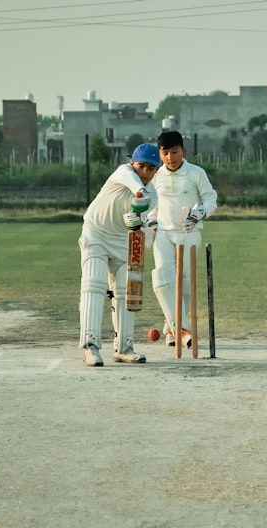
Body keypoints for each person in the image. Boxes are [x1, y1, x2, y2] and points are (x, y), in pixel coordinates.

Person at [78, 143, 161, 366]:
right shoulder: (123, 173)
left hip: (122, 241)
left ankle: (124, 348)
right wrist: (139, 193)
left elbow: (139, 225)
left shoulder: (152, 195)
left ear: (156, 170)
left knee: (125, 291)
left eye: (151, 168)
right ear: (132, 163)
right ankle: (90, 346)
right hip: (96, 233)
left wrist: (140, 224)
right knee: (94, 285)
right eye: (141, 166)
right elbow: (135, 185)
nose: (145, 172)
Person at [145, 130, 218, 347]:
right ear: (159, 153)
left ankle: (171, 331)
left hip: (189, 232)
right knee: (163, 280)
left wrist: (200, 213)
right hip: (164, 235)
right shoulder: (156, 176)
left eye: (174, 152)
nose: (170, 158)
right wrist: (150, 222)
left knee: (185, 284)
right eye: (165, 153)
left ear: (183, 151)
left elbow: (210, 200)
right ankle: (183, 330)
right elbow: (151, 207)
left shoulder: (196, 173)